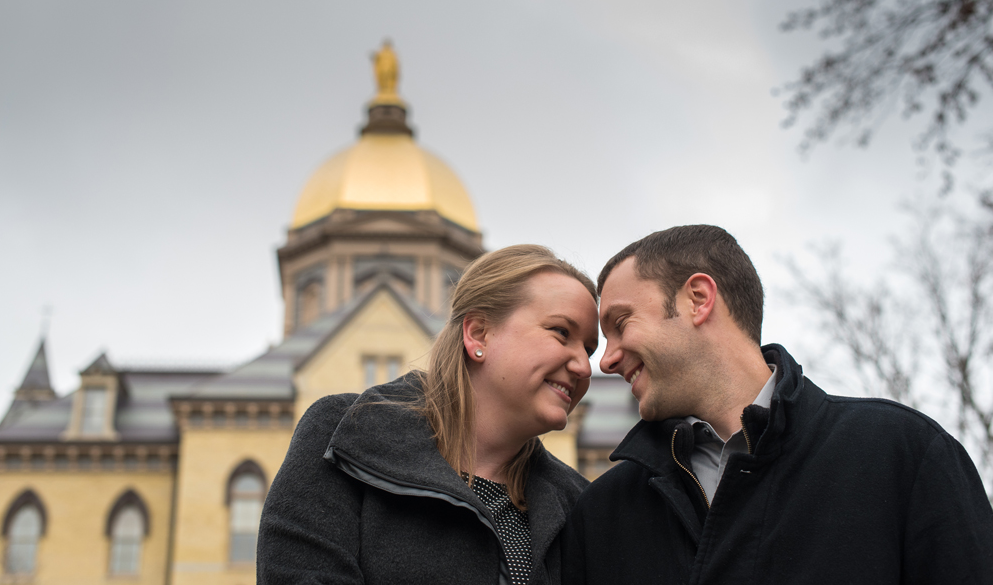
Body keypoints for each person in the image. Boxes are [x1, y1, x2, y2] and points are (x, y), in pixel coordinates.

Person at [561, 225, 993, 584]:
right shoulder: (602, 514)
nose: (607, 360)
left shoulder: (902, 454)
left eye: (621, 323)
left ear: (698, 299)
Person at [257, 245, 598, 585]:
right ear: (478, 333)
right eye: (561, 332)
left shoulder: (581, 506)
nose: (583, 366)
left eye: (589, 348)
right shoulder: (342, 434)